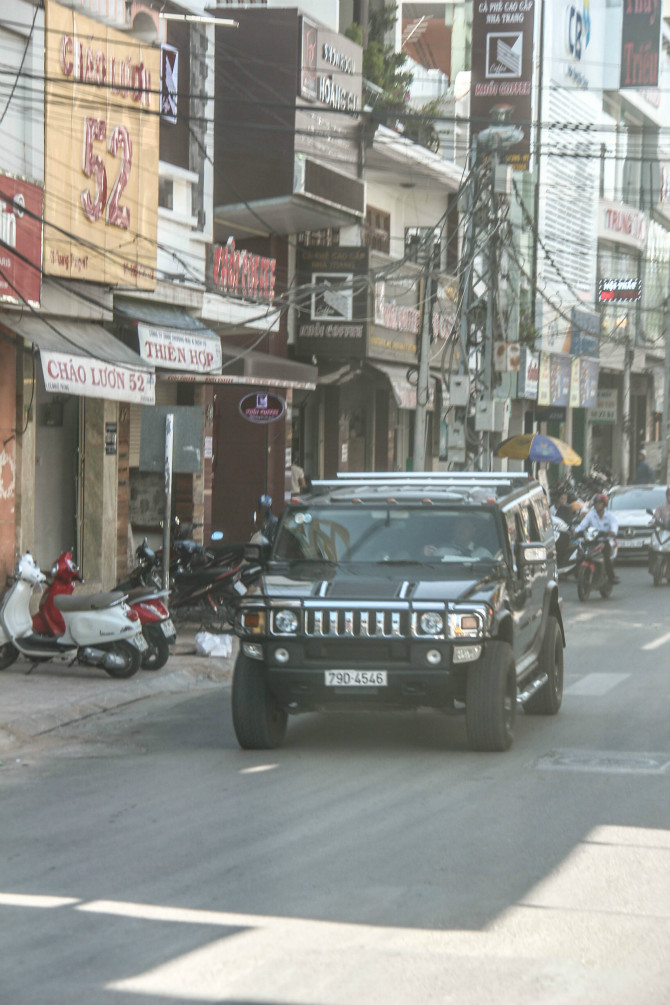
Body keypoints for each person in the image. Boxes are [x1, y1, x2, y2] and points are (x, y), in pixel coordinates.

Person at [576, 493, 619, 584]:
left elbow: (614, 526)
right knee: (580, 554)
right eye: (596, 503)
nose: (597, 505)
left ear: (604, 505)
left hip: (604, 541)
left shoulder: (610, 516)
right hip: (591, 540)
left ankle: (611, 577)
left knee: (606, 556)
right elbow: (582, 524)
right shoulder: (591, 515)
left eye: (600, 503)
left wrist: (612, 532)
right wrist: (576, 531)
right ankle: (578, 575)